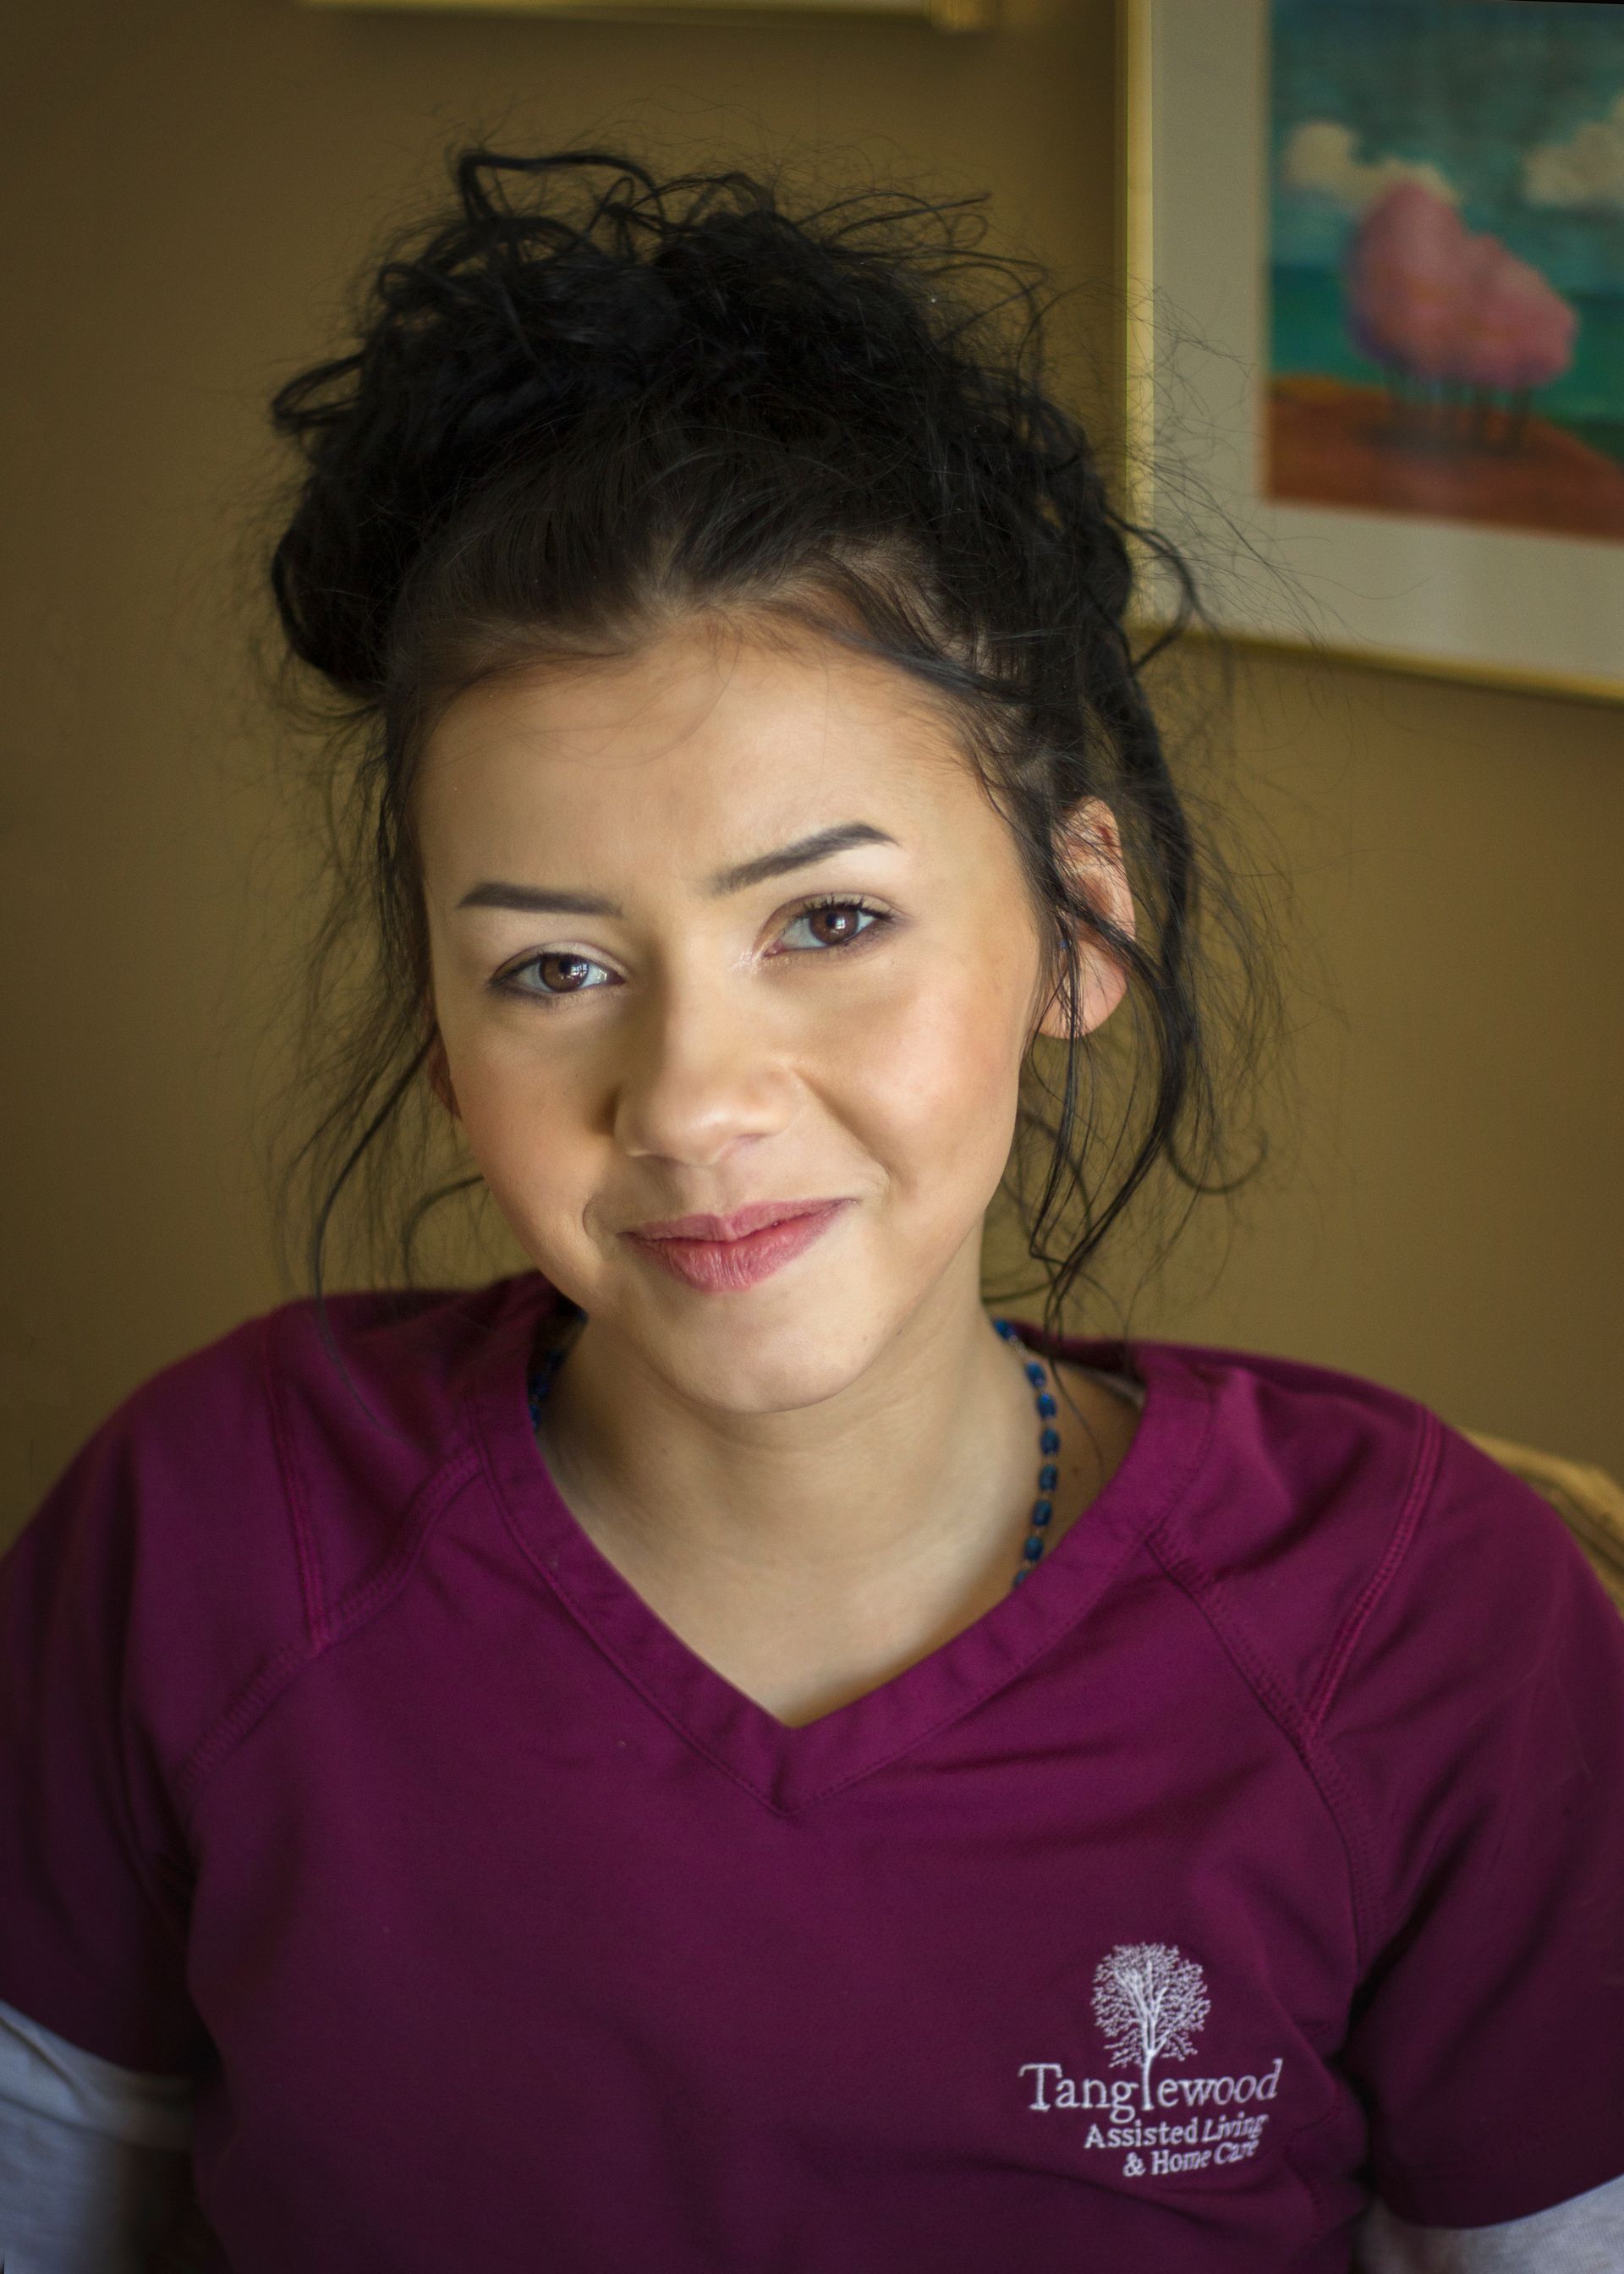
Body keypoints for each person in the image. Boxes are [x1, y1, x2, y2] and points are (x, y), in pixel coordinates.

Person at [0, 146, 1620, 2274]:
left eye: (829, 919)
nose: (684, 1097)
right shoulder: (204, 1533)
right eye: (553, 966)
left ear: (1078, 931)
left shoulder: (1431, 1618)